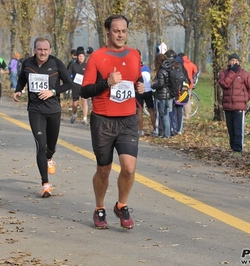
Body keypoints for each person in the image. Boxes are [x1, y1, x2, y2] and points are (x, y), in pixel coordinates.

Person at [80, 14, 145, 230]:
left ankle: (121, 205)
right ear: (108, 31)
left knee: (129, 168)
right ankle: (100, 208)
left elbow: (137, 79)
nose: (120, 34)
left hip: (127, 120)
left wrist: (140, 87)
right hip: (103, 121)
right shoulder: (97, 57)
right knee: (104, 170)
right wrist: (107, 83)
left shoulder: (135, 54)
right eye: (116, 30)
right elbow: (85, 90)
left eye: (124, 31)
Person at [13, 37, 74, 198]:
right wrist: (18, 90)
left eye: (46, 50)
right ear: (34, 50)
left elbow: (69, 83)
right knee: (41, 145)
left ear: (50, 50)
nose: (42, 52)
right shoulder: (27, 63)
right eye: (39, 49)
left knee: (50, 146)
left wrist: (53, 92)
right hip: (35, 110)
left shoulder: (56, 63)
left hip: (53, 110)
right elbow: (21, 79)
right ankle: (45, 184)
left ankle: (50, 157)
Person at [218, 53, 250, 155]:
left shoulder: (245, 74)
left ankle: (238, 149)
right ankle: (233, 148)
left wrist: (244, 99)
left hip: (239, 107)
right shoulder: (223, 73)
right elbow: (224, 84)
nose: (234, 62)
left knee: (238, 129)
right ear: (228, 62)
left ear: (239, 62)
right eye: (232, 60)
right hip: (228, 106)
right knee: (231, 129)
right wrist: (232, 72)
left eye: (236, 61)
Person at [152, 49, 176, 138]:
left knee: (164, 114)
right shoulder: (169, 68)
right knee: (169, 113)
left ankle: (167, 134)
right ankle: (170, 131)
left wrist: (153, 86)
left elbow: (161, 84)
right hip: (169, 94)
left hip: (163, 95)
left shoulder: (161, 71)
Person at [135, 49, 155, 136]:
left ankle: (141, 130)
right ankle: (155, 129)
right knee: (151, 110)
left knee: (139, 111)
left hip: (139, 91)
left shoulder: (135, 68)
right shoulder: (146, 67)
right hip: (148, 91)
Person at [68, 48, 88, 125]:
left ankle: (85, 119)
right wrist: (70, 82)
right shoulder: (73, 65)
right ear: (77, 57)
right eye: (80, 56)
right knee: (75, 104)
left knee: (84, 101)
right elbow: (68, 74)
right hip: (75, 86)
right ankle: (74, 114)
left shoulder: (87, 65)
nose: (81, 58)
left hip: (84, 86)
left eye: (83, 56)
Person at [180, 53, 198, 121]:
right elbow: (196, 72)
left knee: (184, 99)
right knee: (188, 99)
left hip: (184, 83)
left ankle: (186, 115)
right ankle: (188, 114)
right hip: (190, 83)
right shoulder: (192, 64)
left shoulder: (182, 64)